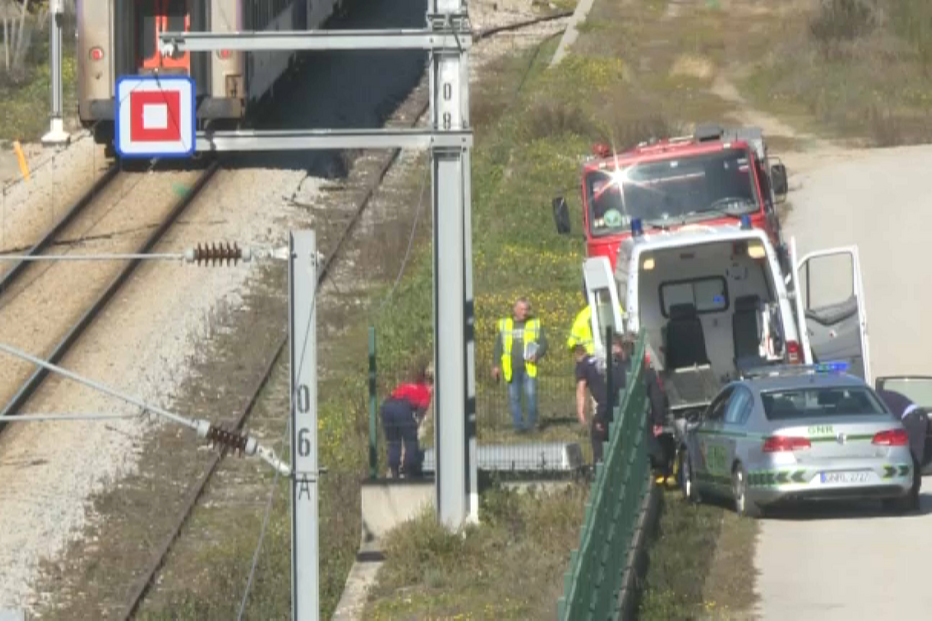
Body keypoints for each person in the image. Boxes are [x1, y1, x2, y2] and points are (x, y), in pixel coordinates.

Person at [493, 297, 547, 432]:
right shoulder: (506, 325)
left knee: (531, 395)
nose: (525, 312)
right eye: (522, 309)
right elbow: (498, 346)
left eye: (526, 309)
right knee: (514, 397)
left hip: (529, 367)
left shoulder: (534, 323)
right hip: (511, 367)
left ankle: (531, 425)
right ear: (515, 310)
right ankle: (518, 426)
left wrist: (538, 354)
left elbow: (544, 343)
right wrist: (495, 365)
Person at [574, 334, 628, 464]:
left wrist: (581, 412)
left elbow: (581, 390)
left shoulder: (583, 365)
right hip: (618, 401)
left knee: (597, 435)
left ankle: (599, 466)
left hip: (605, 404)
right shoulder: (605, 359)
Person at [877, 388, 928, 510]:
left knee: (913, 459)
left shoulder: (876, 400)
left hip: (913, 419)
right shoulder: (880, 395)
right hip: (915, 416)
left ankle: (911, 501)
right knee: (911, 458)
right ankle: (906, 498)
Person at [380, 363, 433, 478]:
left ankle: (394, 470)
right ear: (429, 385)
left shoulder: (408, 385)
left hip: (387, 406)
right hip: (402, 407)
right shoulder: (426, 393)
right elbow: (419, 416)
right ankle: (410, 469)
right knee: (411, 441)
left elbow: (396, 394)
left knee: (394, 441)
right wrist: (413, 426)